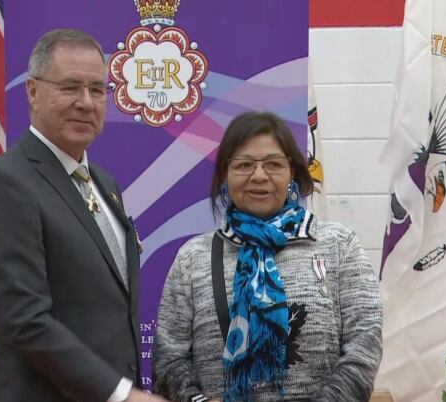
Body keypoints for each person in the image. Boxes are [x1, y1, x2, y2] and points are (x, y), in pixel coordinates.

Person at [0, 29, 167, 402]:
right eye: (70, 87)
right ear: (32, 91)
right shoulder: (6, 185)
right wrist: (121, 395)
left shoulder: (105, 184)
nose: (86, 103)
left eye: (96, 89)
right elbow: (23, 321)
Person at [152, 112, 382, 402]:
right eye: (244, 164)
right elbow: (169, 358)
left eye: (273, 164)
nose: (258, 176)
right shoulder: (192, 258)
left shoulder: (338, 245)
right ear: (225, 173)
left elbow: (365, 342)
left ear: (292, 173)